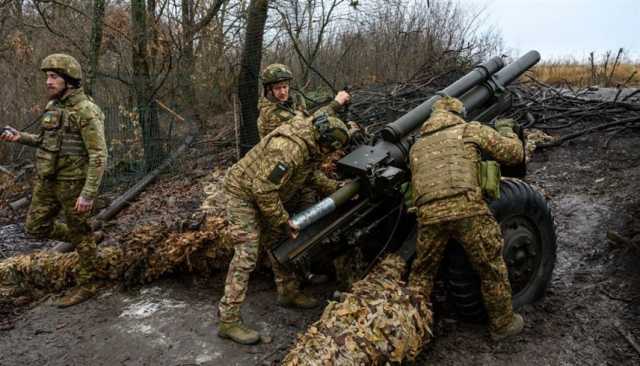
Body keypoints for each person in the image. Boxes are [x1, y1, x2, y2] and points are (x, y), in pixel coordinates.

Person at [217, 112, 350, 345]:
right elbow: (263, 190)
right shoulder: (288, 149)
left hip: (262, 193)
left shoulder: (309, 143)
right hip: (242, 194)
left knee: (279, 243)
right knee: (247, 255)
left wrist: (337, 189)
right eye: (330, 151)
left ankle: (287, 292)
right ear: (323, 143)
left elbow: (308, 175)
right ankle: (228, 321)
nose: (329, 156)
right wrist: (282, 220)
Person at [407, 96, 525, 341]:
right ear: (458, 113)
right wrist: (506, 130)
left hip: (428, 217)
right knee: (491, 267)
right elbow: (514, 155)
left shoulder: (417, 146)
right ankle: (503, 324)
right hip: (467, 211)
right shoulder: (469, 129)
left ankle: (410, 332)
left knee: (422, 275)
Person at [0, 53, 107, 308]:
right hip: (48, 180)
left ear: (69, 81)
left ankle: (88, 284)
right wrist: (20, 137)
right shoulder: (53, 108)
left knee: (81, 236)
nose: (48, 82)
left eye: (53, 77)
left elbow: (99, 154)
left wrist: (88, 193)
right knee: (35, 227)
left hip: (73, 184)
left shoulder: (86, 110)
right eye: (47, 76)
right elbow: (44, 141)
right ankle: (86, 238)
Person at [258, 63, 351, 139]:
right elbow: (307, 126)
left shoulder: (284, 103)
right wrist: (335, 104)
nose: (283, 92)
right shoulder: (272, 113)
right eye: (277, 88)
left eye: (285, 87)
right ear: (269, 90)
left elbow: (305, 115)